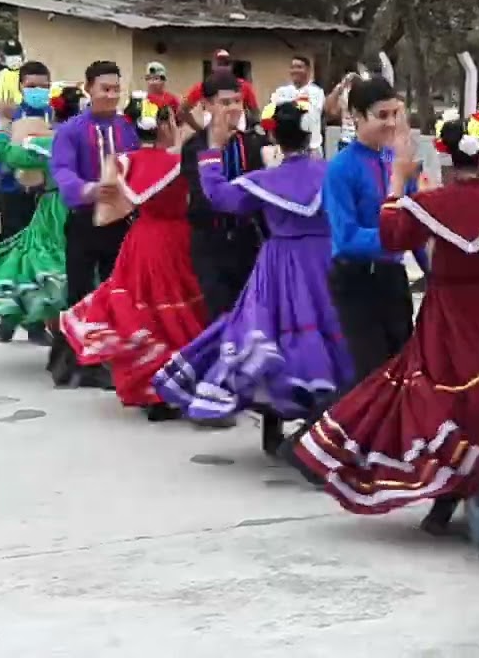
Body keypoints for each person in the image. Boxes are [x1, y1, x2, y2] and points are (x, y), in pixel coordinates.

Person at [293, 112, 479, 540]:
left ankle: (445, 500)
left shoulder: (429, 205)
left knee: (439, 398)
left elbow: (391, 235)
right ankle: (471, 499)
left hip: (445, 320)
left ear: (444, 156)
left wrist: (398, 183)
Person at [154, 99, 348, 452]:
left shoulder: (266, 180)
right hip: (324, 260)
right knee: (324, 335)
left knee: (268, 333)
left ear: (275, 137)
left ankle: (272, 429)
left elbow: (219, 196)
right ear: (310, 135)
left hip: (278, 264)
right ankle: (319, 427)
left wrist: (213, 152)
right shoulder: (332, 173)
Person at [59, 94, 206, 421]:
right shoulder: (182, 163)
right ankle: (176, 386)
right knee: (178, 315)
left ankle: (149, 389)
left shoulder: (126, 161)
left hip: (140, 240)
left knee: (143, 313)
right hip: (177, 241)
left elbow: (107, 214)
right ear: (167, 125)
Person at [47, 60, 140, 389]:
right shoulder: (71, 130)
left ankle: (104, 357)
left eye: (116, 89)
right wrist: (87, 189)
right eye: (106, 89)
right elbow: (61, 171)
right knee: (79, 290)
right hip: (85, 220)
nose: (112, 95)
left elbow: (137, 163)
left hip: (119, 221)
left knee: (114, 290)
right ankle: (70, 360)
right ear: (89, 89)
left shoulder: (126, 128)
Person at [322, 77, 416, 388]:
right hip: (356, 279)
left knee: (404, 367)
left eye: (395, 114)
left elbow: (415, 217)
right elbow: (346, 237)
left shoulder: (396, 162)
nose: (391, 124)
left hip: (392, 275)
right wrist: (395, 237)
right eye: (382, 115)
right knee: (372, 371)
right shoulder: (341, 168)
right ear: (357, 117)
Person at [0, 86, 84, 345]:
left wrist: (4, 122)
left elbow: (6, 153)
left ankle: (54, 334)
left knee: (40, 266)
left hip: (54, 212)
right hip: (89, 208)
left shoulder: (50, 144)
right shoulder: (95, 138)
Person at [181, 71, 267, 320]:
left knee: (251, 314)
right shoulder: (195, 147)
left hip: (247, 241)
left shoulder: (253, 144)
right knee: (219, 315)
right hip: (211, 243)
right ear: (207, 104)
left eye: (237, 102)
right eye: (225, 102)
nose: (233, 109)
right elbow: (201, 199)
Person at [0, 60, 59, 344]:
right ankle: (8, 317)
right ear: (20, 87)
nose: (38, 91)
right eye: (32, 86)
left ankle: (33, 323)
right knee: (14, 253)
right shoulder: (9, 116)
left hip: (44, 199)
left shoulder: (53, 116)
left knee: (36, 258)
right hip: (12, 193)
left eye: (44, 86)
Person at [179, 49, 260, 133]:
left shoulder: (244, 86)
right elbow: (183, 110)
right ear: (213, 65)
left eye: (226, 64)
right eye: (219, 63)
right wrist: (199, 130)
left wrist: (254, 130)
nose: (222, 67)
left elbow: (255, 111)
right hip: (211, 136)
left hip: (237, 137)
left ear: (231, 66)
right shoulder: (202, 87)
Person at [270, 55, 326, 156]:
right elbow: (275, 114)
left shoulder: (317, 92)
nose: (295, 70)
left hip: (311, 149)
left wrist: (290, 104)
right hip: (286, 149)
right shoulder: (281, 91)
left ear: (308, 71)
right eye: (292, 67)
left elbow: (309, 111)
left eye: (299, 67)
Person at [0, 39, 25, 117]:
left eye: (16, 54)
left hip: (25, 118)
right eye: (10, 55)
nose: (13, 58)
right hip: (2, 119)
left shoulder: (29, 73)